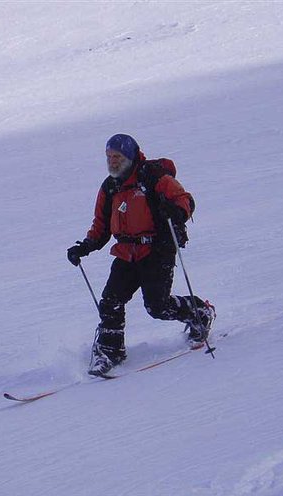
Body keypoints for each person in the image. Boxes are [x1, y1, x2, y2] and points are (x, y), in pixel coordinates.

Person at [67, 134, 215, 376]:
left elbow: (185, 200)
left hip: (156, 250)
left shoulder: (153, 177)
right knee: (110, 301)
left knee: (158, 306)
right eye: (109, 157)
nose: (112, 162)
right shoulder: (110, 187)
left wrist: (176, 211)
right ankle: (110, 351)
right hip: (126, 252)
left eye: (117, 157)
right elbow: (101, 225)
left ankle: (199, 313)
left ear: (131, 156)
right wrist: (85, 246)